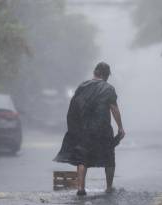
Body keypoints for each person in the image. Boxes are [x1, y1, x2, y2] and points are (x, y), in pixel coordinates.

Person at [54, 62, 125, 196]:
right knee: (109, 157)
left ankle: (81, 188)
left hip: (84, 129)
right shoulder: (108, 88)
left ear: (95, 73)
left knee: (82, 158)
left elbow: (73, 107)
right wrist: (120, 127)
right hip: (103, 129)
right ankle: (109, 187)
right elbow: (114, 109)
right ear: (106, 75)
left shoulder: (82, 86)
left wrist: (74, 128)